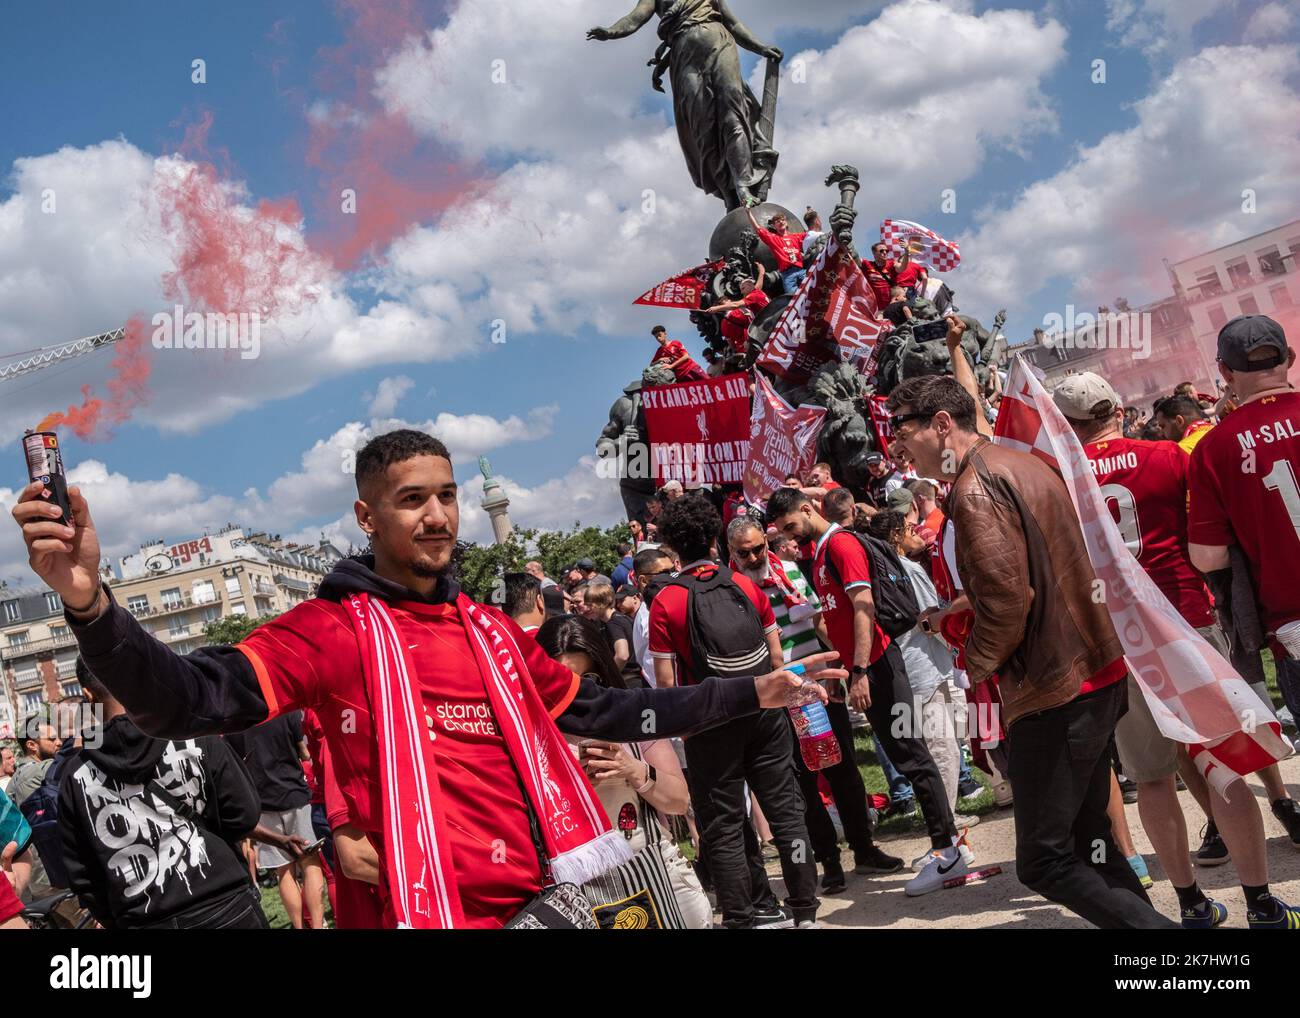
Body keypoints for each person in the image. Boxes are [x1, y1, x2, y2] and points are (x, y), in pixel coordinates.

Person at [11, 429, 832, 929]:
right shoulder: (332, 632)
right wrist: (89, 604)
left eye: (446, 496)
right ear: (368, 518)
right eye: (412, 500)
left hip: (548, 908)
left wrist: (748, 691)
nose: (438, 514)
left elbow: (606, 707)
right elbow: (189, 698)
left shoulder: (491, 633)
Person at [885, 366, 1175, 928]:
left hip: (1054, 689)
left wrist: (973, 663)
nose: (897, 444)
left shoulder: (974, 486)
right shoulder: (1020, 462)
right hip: (1091, 671)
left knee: (1044, 861)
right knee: (1091, 840)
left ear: (942, 423)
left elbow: (1008, 600)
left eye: (903, 428)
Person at [1056, 369, 1300, 928]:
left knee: (1153, 780)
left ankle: (1190, 903)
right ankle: (1260, 901)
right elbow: (1212, 529)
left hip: (1118, 638)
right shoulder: (1166, 455)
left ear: (1067, 427)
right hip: (1183, 622)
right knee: (1225, 766)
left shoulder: (1062, 481)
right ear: (1116, 409)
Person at [765, 487, 971, 894]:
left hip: (878, 664)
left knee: (912, 756)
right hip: (865, 666)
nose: (789, 535)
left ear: (807, 509)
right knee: (907, 754)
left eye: (790, 524)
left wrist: (859, 670)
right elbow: (839, 618)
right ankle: (947, 847)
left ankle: (947, 851)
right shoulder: (822, 552)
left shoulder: (840, 545)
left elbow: (864, 608)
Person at [649, 496, 822, 927]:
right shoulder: (745, 585)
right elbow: (777, 657)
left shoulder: (665, 601)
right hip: (764, 715)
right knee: (786, 816)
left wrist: (686, 731)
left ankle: (742, 919)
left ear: (672, 547)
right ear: (714, 539)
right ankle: (805, 912)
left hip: (709, 723)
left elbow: (669, 686)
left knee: (723, 828)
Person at [726, 517, 901, 894]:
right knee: (803, 781)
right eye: (746, 552)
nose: (756, 557)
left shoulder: (790, 571)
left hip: (818, 686)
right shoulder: (731, 591)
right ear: (732, 554)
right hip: (777, 697)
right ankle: (829, 860)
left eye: (760, 548)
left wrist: (844, 665)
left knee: (843, 769)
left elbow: (821, 621)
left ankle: (863, 848)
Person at [58, 659, 269, 929]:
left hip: (145, 919)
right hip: (224, 904)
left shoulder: (75, 776)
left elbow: (83, 875)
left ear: (88, 695)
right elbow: (244, 813)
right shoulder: (194, 733)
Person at [536, 615, 711, 928]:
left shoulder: (633, 718)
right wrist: (572, 791)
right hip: (581, 899)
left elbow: (679, 801)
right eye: (562, 682)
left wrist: (635, 770)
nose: (577, 694)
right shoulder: (528, 738)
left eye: (588, 680)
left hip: (659, 879)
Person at [227, 710, 326, 930]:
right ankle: (318, 926)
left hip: (262, 802)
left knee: (284, 871)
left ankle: (299, 927)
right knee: (310, 865)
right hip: (295, 795)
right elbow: (304, 752)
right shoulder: (285, 712)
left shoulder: (235, 720)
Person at [709, 267, 771, 355]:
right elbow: (736, 304)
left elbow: (730, 342)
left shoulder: (752, 296)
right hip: (758, 338)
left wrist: (716, 309)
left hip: (756, 339)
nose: (741, 292)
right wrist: (761, 273)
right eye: (727, 301)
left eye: (743, 288)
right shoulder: (754, 295)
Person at [746, 208, 807, 294]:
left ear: (786, 223)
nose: (781, 222)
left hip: (801, 270)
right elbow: (758, 229)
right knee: (793, 298)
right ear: (774, 226)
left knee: (813, 289)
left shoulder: (797, 237)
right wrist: (748, 212)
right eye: (778, 221)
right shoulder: (774, 239)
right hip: (788, 274)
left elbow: (811, 235)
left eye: (782, 220)